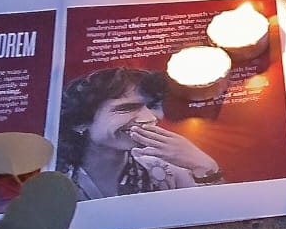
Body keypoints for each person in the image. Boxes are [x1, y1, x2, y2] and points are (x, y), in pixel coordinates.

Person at [57, 67, 221, 200]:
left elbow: (214, 213)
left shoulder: (167, 170)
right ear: (80, 122)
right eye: (127, 108)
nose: (150, 118)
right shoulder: (54, 179)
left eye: (153, 106)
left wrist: (204, 167)